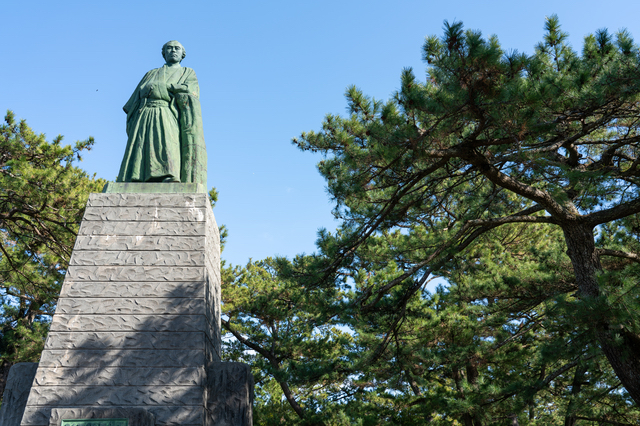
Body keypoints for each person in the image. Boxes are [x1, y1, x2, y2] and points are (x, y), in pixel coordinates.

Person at [116, 40, 207, 186]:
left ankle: (169, 175)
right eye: (169, 48)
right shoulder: (151, 73)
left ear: (182, 54)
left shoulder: (187, 72)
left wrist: (168, 88)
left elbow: (191, 91)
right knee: (141, 146)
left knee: (167, 144)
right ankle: (137, 176)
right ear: (163, 53)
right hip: (145, 114)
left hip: (167, 112)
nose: (173, 51)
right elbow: (133, 101)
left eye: (177, 48)